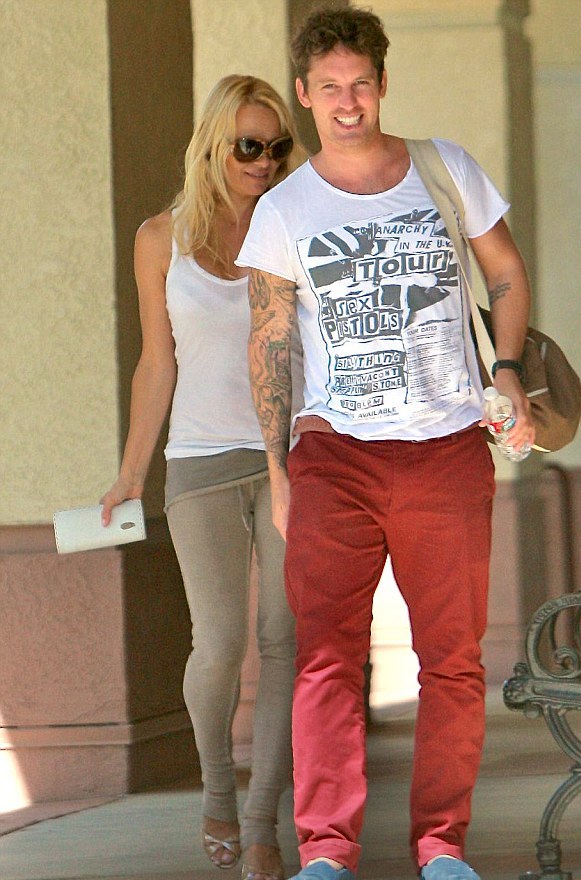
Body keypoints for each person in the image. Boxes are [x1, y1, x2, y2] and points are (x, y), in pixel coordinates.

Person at [237, 8, 536, 880]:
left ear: (382, 84)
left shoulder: (444, 169)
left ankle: (442, 848)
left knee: (453, 661)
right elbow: (270, 344)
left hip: (446, 447)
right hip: (335, 455)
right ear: (304, 94)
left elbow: (506, 271)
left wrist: (508, 369)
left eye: (360, 84)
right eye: (329, 87)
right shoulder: (284, 209)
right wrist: (279, 472)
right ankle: (327, 854)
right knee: (327, 660)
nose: (348, 103)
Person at [100, 74, 305, 880]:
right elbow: (158, 362)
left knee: (285, 642)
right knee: (218, 644)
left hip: (291, 460)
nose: (263, 162)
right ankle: (217, 789)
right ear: (213, 144)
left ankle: (262, 826)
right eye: (248, 145)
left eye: (277, 147)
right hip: (199, 462)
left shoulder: (293, 226)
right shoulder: (162, 238)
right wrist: (130, 473)